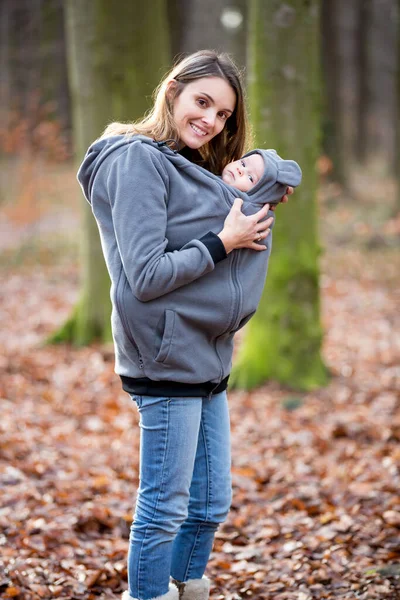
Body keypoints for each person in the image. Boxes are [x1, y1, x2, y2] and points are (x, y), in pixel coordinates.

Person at [77, 50, 295, 600]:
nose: (211, 121)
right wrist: (225, 241)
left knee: (208, 505)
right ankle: (149, 595)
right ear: (172, 89)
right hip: (165, 354)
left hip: (207, 355)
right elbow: (147, 274)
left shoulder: (187, 165)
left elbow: (211, 220)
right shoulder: (134, 160)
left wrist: (257, 195)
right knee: (165, 506)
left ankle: (184, 586)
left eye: (223, 114)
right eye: (203, 102)